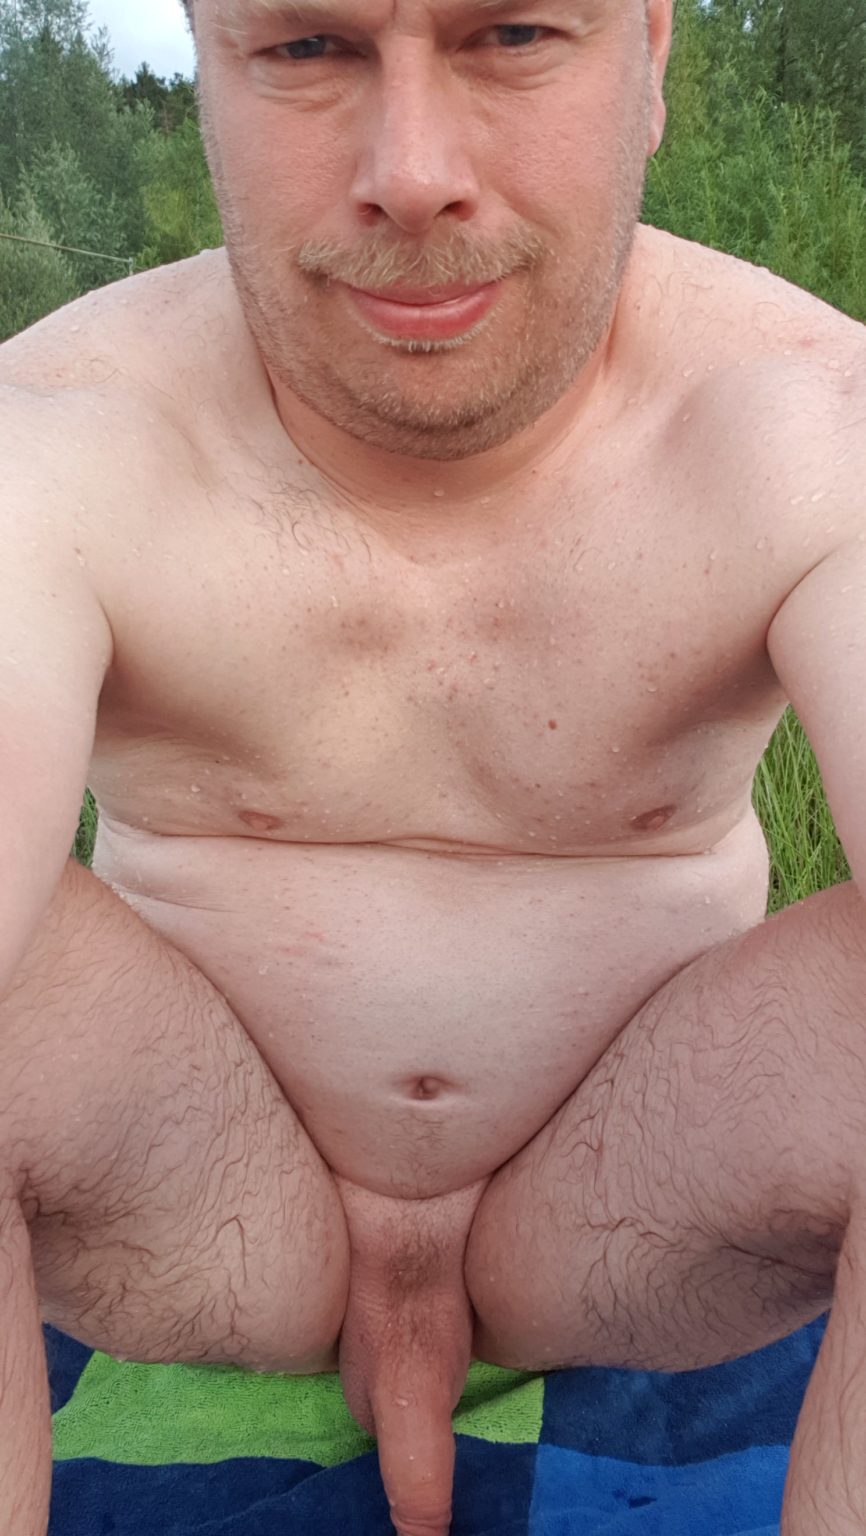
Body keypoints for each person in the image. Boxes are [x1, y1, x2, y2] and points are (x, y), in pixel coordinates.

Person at [1, 0, 864, 1531]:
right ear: (207, 71)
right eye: (307, 49)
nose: (410, 173)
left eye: (509, 34)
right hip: (203, 1199)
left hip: (627, 1207)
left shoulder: (806, 419)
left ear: (648, 62)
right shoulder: (60, 434)